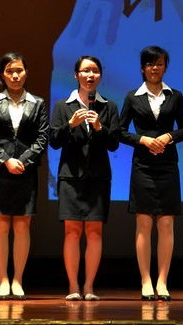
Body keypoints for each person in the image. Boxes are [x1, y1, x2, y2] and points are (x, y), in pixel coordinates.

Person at [118, 46, 183, 302]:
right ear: (142, 68)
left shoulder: (175, 95)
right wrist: (143, 140)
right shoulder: (132, 97)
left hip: (168, 165)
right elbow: (119, 131)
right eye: (150, 64)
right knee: (144, 223)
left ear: (165, 67)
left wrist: (169, 136)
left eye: (159, 63)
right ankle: (146, 280)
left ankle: (162, 280)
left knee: (167, 223)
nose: (154, 68)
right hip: (143, 166)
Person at [49, 56, 120, 301]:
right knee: (71, 231)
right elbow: (54, 141)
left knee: (94, 232)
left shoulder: (108, 106)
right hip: (70, 176)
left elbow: (114, 144)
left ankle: (89, 286)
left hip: (98, 177)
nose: (90, 75)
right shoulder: (63, 106)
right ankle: (73, 286)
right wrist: (70, 125)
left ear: (100, 75)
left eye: (95, 71)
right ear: (76, 75)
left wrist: (100, 128)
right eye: (85, 71)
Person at [0, 53, 49, 300]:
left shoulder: (37, 103)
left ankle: (18, 279)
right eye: (10, 71)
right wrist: (6, 160)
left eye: (19, 70)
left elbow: (42, 137)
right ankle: (2, 279)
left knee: (22, 226)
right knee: (0, 225)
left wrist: (24, 161)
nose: (15, 75)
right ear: (2, 74)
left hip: (25, 171)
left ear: (26, 72)